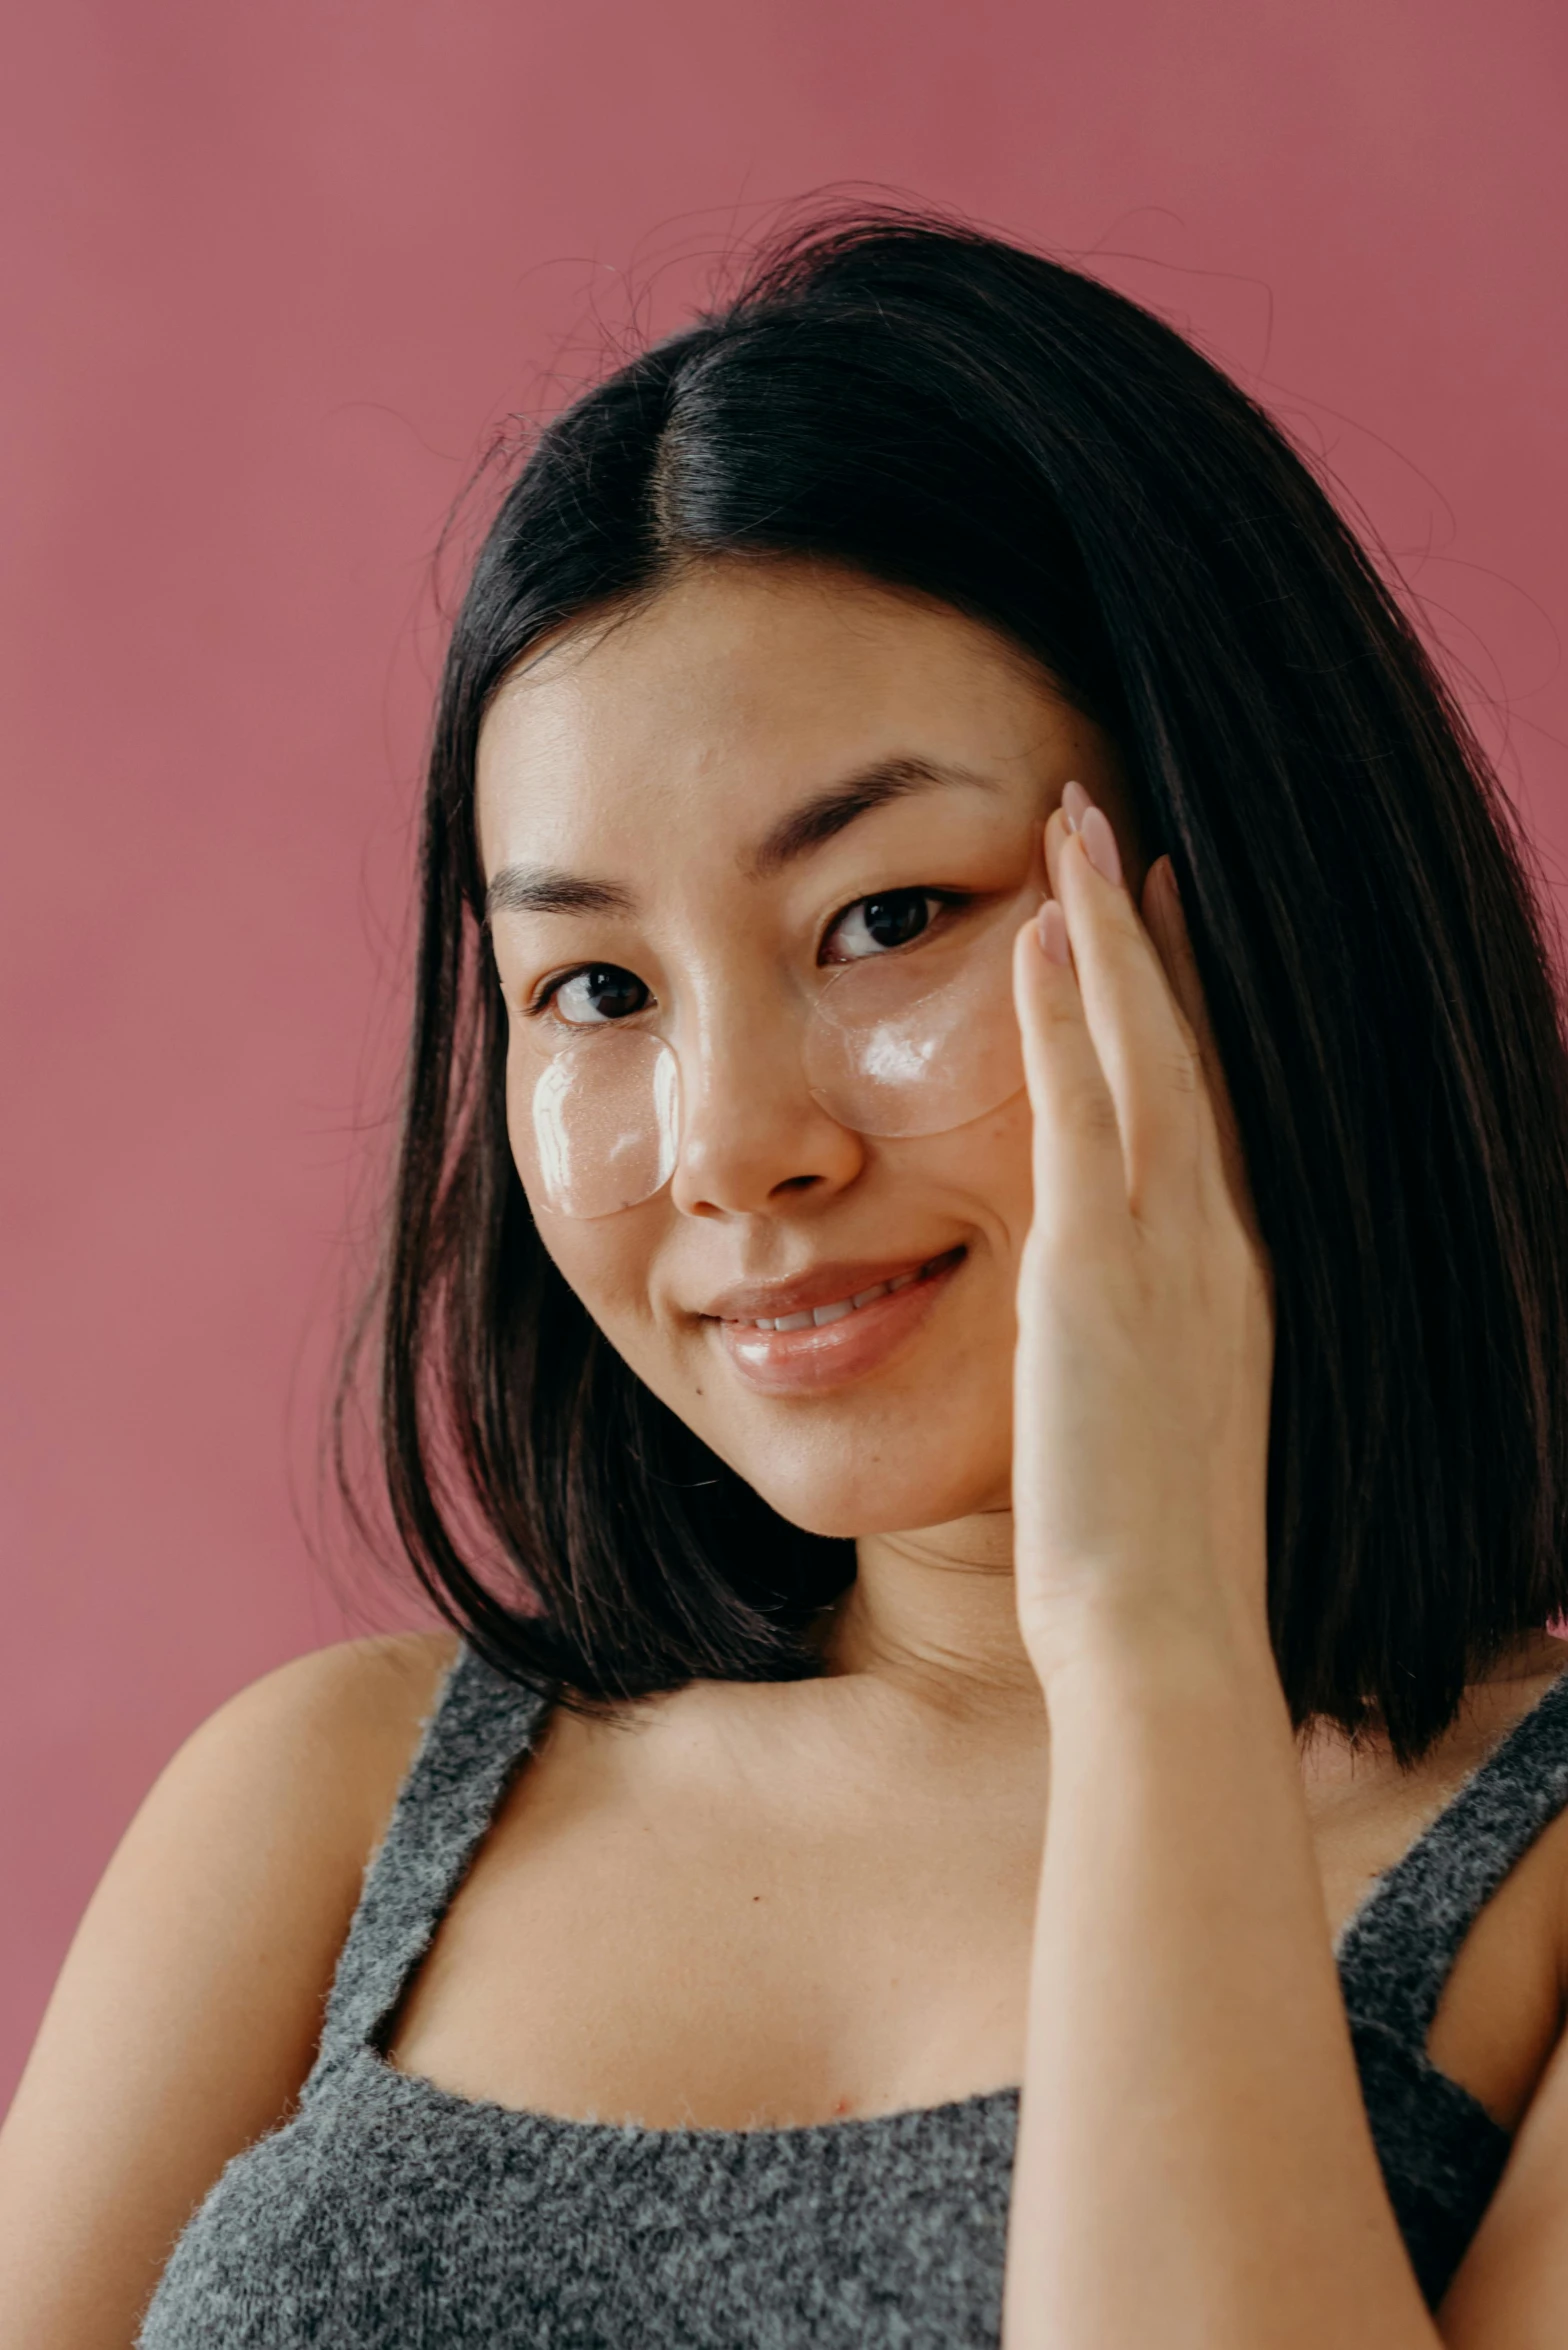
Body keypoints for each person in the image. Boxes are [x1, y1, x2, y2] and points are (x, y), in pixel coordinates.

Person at [4, 207, 1568, 2350]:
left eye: (881, 914)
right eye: (595, 983)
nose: (730, 1139)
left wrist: (1150, 1646)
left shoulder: (1536, 1879)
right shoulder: (330, 1805)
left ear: (1269, 905)